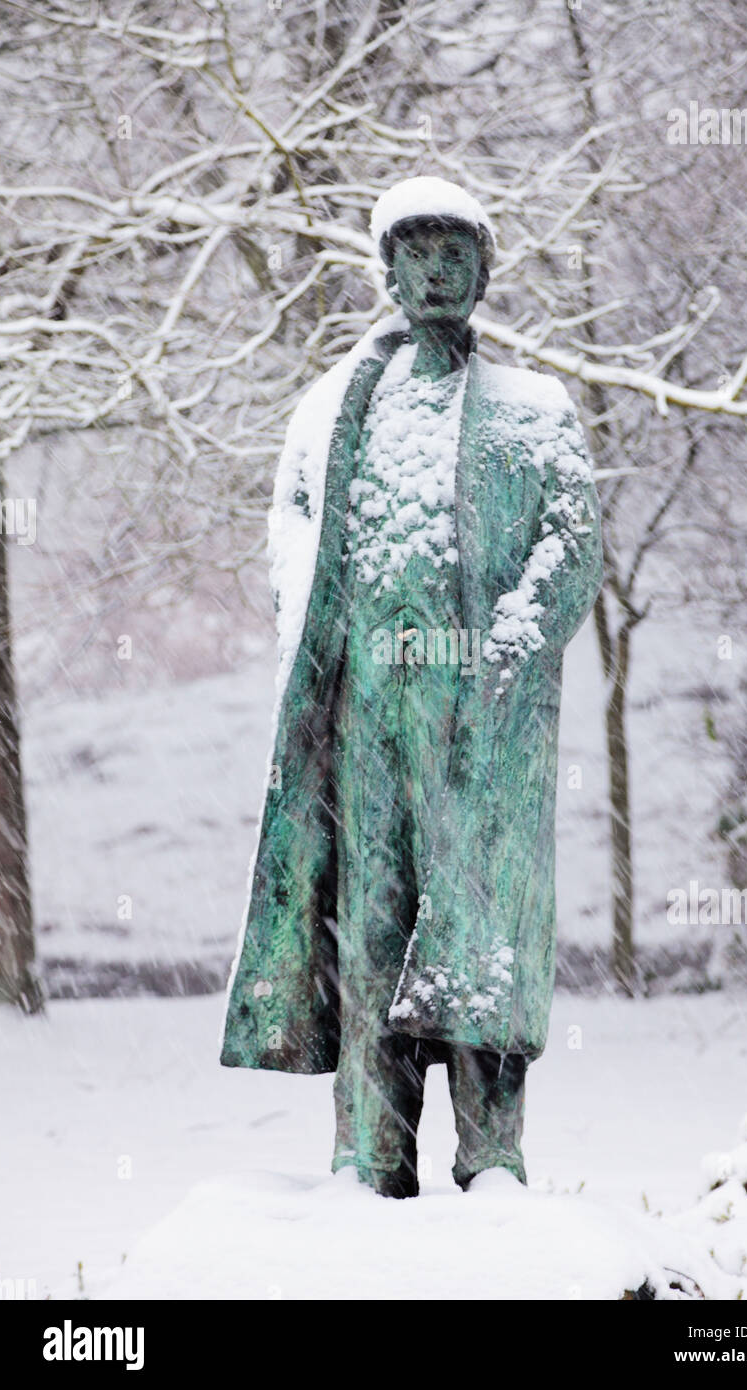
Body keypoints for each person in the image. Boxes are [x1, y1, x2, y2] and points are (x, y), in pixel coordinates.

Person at [221, 176, 603, 1198]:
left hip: (481, 735)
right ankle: (370, 1155)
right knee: (370, 945)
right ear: (385, 270)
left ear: (484, 270)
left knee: (478, 949)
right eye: (414, 251)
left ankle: (490, 1158)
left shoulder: (534, 415)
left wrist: (508, 653)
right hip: (367, 732)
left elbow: (570, 553)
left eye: (454, 251)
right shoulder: (325, 414)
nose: (433, 268)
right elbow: (288, 539)